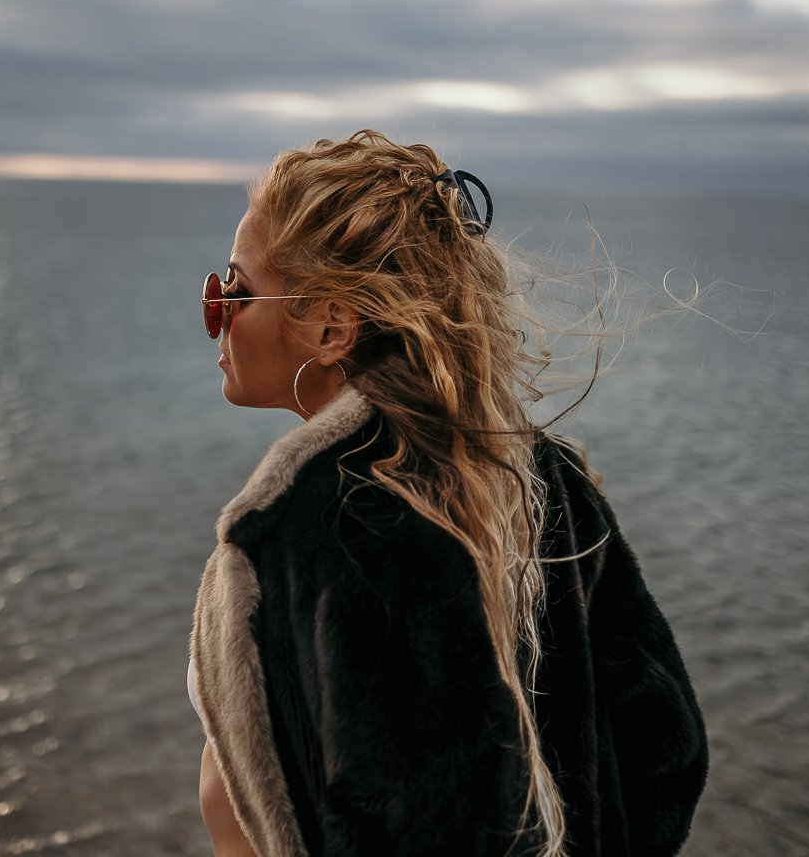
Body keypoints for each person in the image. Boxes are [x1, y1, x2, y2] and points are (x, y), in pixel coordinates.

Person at [189, 130, 708, 857]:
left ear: (333, 326)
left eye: (232, 291)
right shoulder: (539, 477)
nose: (213, 312)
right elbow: (667, 749)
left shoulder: (332, 531)